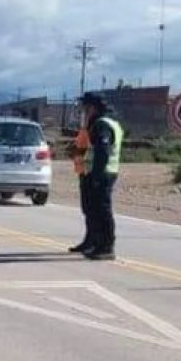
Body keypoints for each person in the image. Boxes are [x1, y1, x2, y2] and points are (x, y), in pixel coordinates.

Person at [78, 92, 123, 261]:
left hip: (102, 173)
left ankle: (106, 246)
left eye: (85, 107)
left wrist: (96, 175)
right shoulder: (106, 122)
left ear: (93, 107)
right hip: (102, 172)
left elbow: (102, 152)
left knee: (102, 210)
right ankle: (97, 243)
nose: (84, 110)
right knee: (94, 210)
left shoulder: (101, 125)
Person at [67, 108, 93, 253]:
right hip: (84, 172)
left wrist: (76, 151)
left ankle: (93, 241)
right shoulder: (87, 129)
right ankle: (89, 240)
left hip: (90, 173)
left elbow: (84, 150)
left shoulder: (95, 127)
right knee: (87, 210)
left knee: (92, 210)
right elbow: (78, 148)